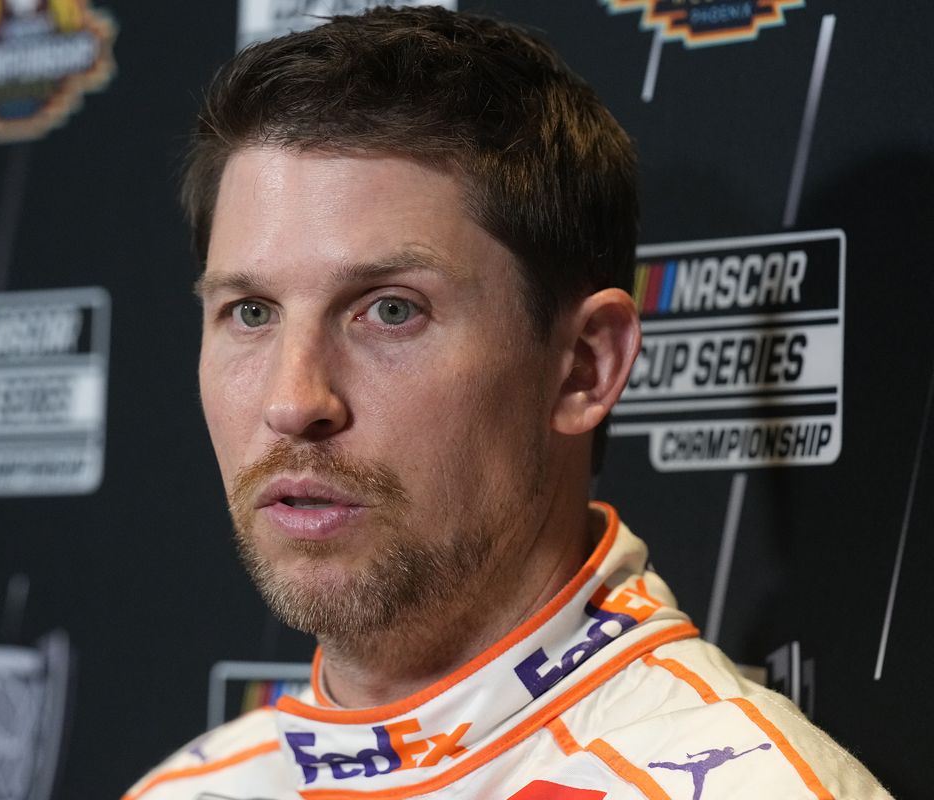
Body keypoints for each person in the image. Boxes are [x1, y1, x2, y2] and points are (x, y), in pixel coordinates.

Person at [125, 6, 889, 799]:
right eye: (250, 312)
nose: (293, 402)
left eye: (390, 310)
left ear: (584, 367)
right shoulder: (186, 788)